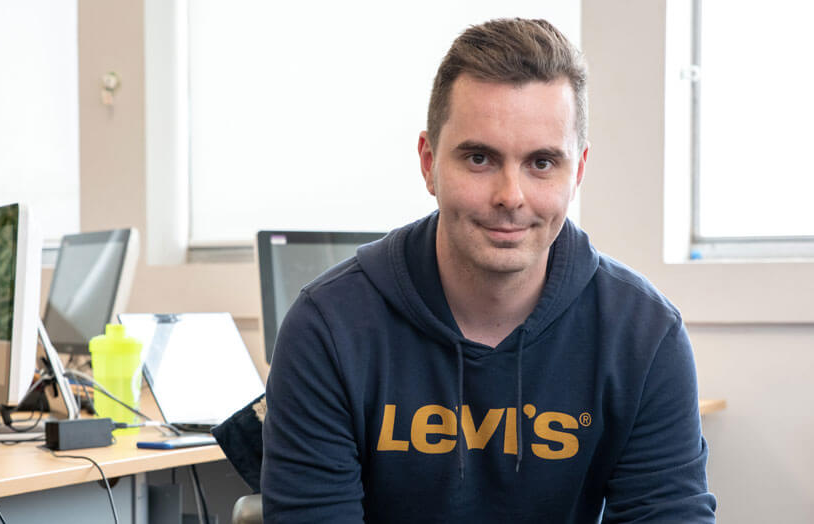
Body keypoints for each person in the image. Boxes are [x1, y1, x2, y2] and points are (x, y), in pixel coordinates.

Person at [261, 18, 716, 523]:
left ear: (578, 172)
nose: (510, 197)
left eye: (542, 163)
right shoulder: (327, 328)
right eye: (479, 158)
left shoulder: (643, 335)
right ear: (428, 162)